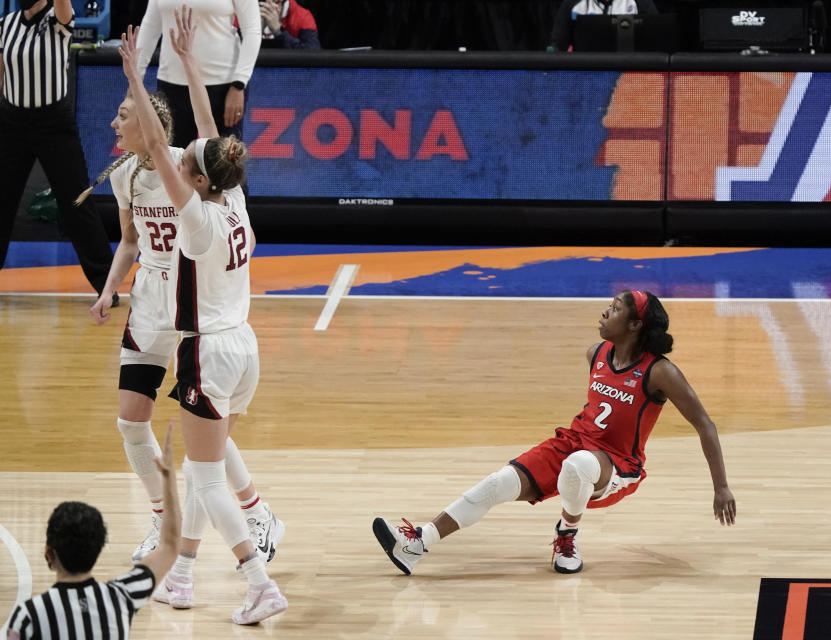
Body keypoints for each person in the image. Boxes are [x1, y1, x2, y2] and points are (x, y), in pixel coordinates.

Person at [80, 8, 284, 581]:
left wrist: (140, 78)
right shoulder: (132, 176)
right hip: (157, 306)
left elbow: (201, 127)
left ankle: (248, 528)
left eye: (125, 115)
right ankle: (171, 532)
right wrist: (109, 289)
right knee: (136, 422)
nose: (115, 124)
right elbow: (127, 239)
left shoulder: (185, 176)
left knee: (204, 443)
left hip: (197, 314)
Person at [373, 290, 736, 575]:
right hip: (572, 444)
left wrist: (721, 487)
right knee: (496, 483)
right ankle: (417, 544)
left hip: (617, 465)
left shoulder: (659, 372)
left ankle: (566, 536)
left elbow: (705, 423)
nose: (606, 311)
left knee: (578, 465)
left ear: (635, 325)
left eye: (615, 308)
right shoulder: (596, 353)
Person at [5, 421, 181, 640]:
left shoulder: (27, 616)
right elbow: (170, 545)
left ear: (48, 553)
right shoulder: (121, 596)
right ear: (97, 551)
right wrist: (169, 480)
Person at [0, 0, 116, 304]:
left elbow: (64, 8)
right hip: (12, 122)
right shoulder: (7, 24)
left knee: (77, 201)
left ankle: (106, 283)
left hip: (53, 124)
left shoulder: (58, 19)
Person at [136, 0, 260, 149]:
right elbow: (150, 26)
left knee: (223, 163)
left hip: (223, 86)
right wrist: (135, 78)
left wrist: (239, 83)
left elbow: (252, 29)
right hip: (171, 84)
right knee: (174, 162)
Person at [548, 0, 658, 51]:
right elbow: (557, 45)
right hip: (585, 74)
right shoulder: (572, 4)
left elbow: (657, 41)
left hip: (629, 76)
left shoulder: (640, 3)